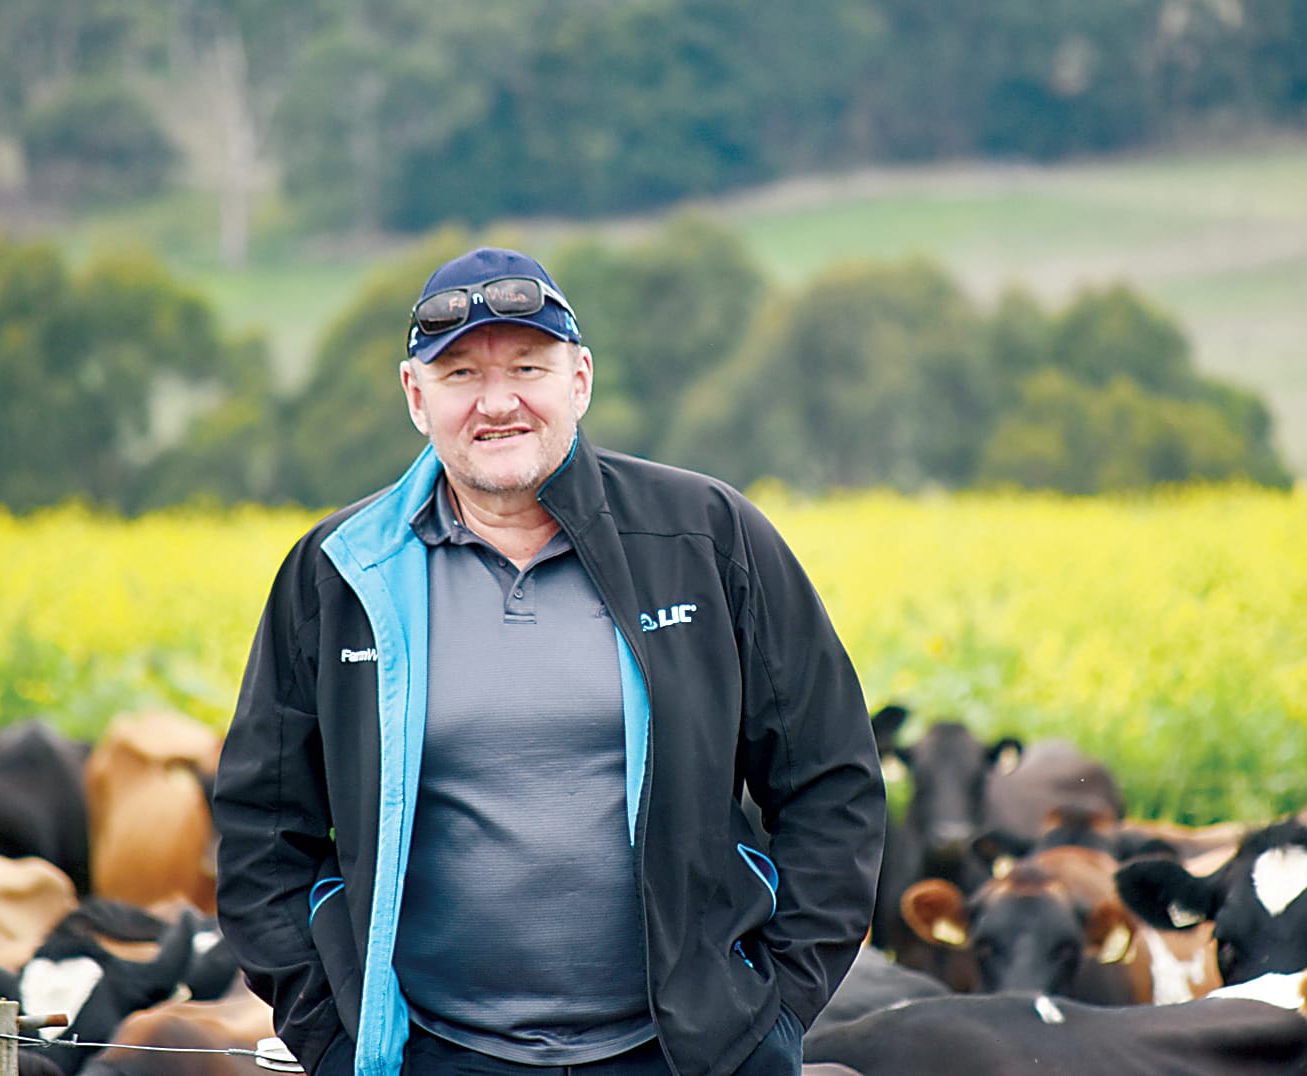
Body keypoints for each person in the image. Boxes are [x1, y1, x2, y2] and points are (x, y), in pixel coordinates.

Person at [213, 246, 886, 1076]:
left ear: (581, 380)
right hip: (432, 1056)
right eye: (459, 374)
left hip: (683, 1057)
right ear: (415, 397)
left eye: (527, 366)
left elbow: (832, 783)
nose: (498, 403)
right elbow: (259, 828)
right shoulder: (339, 571)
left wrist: (766, 1014)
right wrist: (335, 1035)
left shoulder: (706, 539)